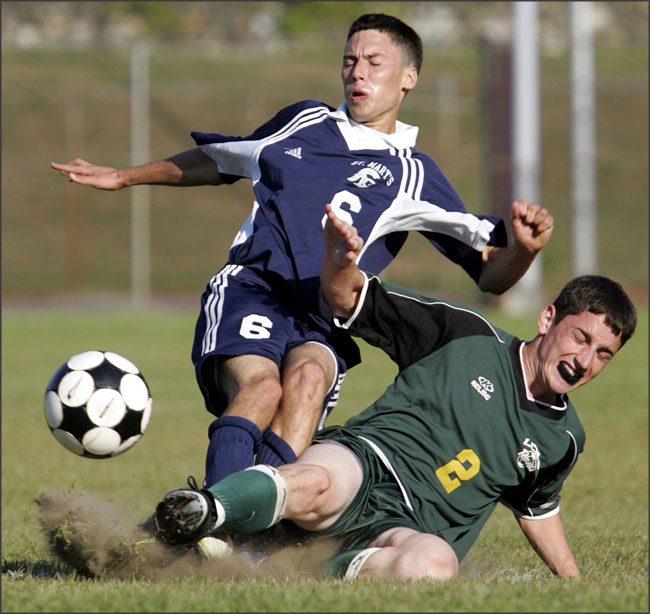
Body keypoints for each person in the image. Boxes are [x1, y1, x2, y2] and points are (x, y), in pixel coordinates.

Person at [51, 13, 553, 490]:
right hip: (254, 289)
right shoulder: (303, 121)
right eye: (349, 60)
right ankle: (220, 516)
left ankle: (249, 526)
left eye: (374, 62)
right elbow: (220, 160)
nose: (357, 73)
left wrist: (524, 251)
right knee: (262, 389)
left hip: (325, 317)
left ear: (408, 78)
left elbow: (490, 274)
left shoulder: (415, 175)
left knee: (309, 380)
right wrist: (124, 176)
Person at [151, 206, 637, 580]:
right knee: (317, 481)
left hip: (408, 529)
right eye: (581, 338)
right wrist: (338, 258)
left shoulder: (563, 439)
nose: (584, 361)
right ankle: (204, 513)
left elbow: (537, 507)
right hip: (366, 465)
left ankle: (292, 570)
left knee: (435, 565)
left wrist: (572, 581)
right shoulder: (464, 334)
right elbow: (350, 298)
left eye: (603, 354)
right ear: (548, 319)